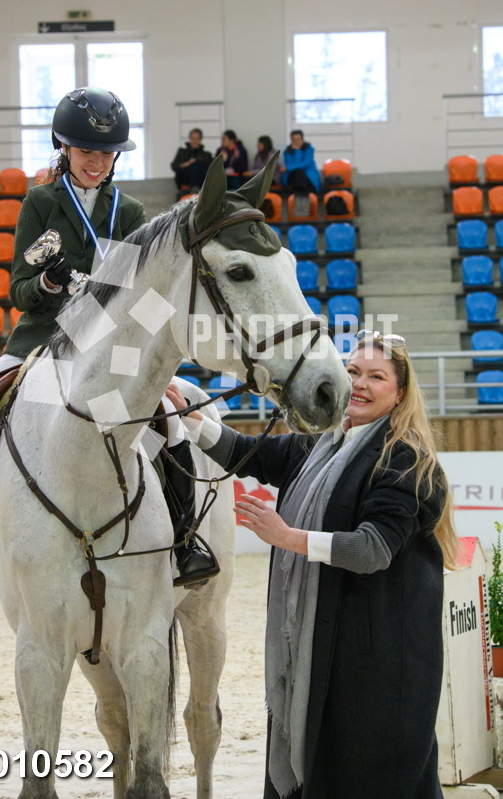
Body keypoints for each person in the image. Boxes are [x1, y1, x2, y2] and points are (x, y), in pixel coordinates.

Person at [0, 86, 217, 603]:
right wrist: (47, 284)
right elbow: (18, 291)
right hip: (40, 341)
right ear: (64, 148)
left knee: (169, 421)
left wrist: (152, 355)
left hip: (104, 345)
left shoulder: (130, 212)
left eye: (106, 153)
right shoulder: (40, 203)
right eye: (85, 151)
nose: (96, 162)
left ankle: (187, 541)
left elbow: (142, 296)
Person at [166, 331, 457, 799]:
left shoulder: (405, 459)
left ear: (400, 392)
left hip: (379, 652)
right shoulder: (323, 442)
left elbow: (371, 549)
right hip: (329, 637)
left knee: (372, 768)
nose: (359, 384)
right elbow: (249, 454)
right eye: (353, 371)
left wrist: (287, 537)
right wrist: (191, 418)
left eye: (376, 377)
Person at [280, 129, 321, 196]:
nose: (296, 142)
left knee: (299, 173)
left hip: (308, 174)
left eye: (298, 139)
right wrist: (297, 151)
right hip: (293, 175)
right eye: (294, 140)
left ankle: (300, 195)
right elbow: (290, 164)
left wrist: (288, 167)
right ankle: (300, 195)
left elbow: (305, 164)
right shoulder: (287, 151)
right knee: (297, 173)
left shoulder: (309, 148)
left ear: (302, 139)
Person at [170, 127, 212, 191]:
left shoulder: (206, 155)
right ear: (190, 139)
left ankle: (195, 188)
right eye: (193, 138)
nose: (195, 141)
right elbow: (174, 166)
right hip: (185, 177)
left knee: (199, 164)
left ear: (200, 140)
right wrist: (187, 164)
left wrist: (198, 163)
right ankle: (195, 188)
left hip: (201, 180)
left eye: (197, 139)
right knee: (195, 165)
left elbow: (210, 169)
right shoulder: (182, 152)